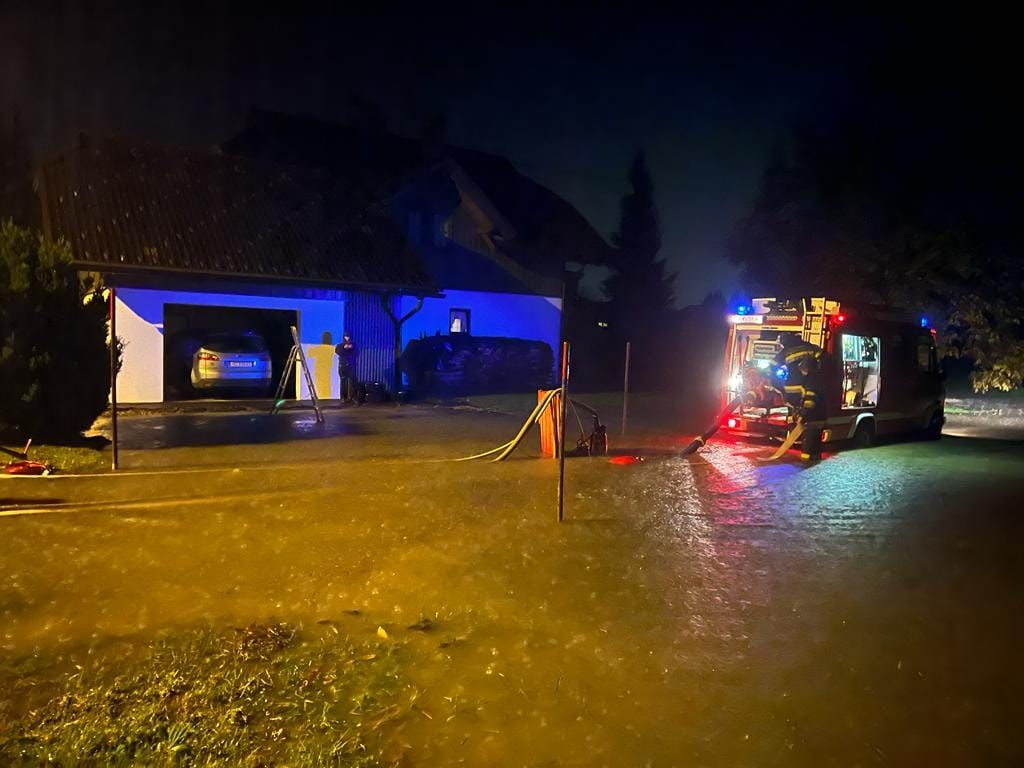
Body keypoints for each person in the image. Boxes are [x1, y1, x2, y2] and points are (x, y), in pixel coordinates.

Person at [335, 332, 358, 403]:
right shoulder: (340, 345)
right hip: (343, 365)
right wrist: (343, 348)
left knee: (353, 381)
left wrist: (351, 348)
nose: (347, 338)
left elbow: (356, 352)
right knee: (343, 382)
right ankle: (343, 397)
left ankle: (353, 397)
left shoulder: (353, 345)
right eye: (346, 337)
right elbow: (337, 351)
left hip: (351, 365)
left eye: (348, 337)